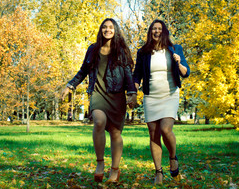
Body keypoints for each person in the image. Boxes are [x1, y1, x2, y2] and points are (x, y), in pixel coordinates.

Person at [61, 18, 137, 183]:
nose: (107, 30)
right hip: (97, 93)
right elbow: (83, 71)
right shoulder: (93, 49)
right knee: (99, 121)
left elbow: (128, 73)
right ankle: (100, 163)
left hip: (116, 95)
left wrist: (132, 92)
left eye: (110, 27)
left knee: (116, 133)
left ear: (115, 30)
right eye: (104, 27)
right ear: (101, 30)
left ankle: (115, 170)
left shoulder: (122, 50)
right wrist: (70, 85)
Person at [133, 19, 190, 185]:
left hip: (170, 94)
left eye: (159, 29)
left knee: (165, 129)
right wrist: (133, 89)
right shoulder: (143, 52)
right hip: (151, 96)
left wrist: (179, 62)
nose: (156, 31)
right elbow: (137, 75)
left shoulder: (175, 49)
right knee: (153, 134)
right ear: (150, 32)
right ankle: (158, 171)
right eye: (153, 29)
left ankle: (173, 157)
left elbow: (185, 73)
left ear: (164, 32)